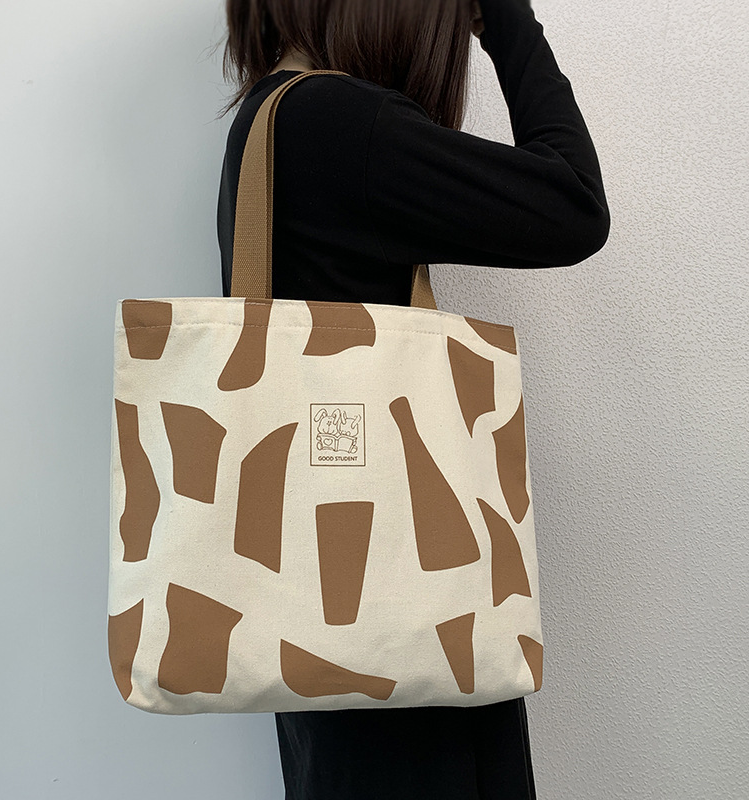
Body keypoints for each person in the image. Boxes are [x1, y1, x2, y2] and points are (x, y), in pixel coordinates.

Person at [215, 1, 610, 797]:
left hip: (324, 637)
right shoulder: (341, 122)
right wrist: (508, 19)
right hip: (403, 637)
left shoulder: (264, 119)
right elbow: (574, 204)